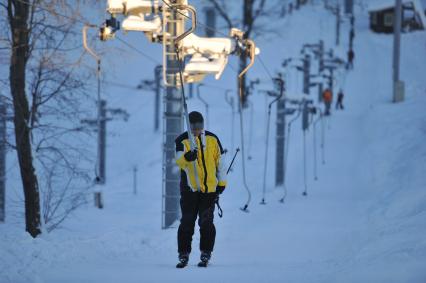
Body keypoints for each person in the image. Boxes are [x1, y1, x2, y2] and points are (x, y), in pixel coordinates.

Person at [174, 111, 227, 268]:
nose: (197, 130)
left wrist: (222, 183)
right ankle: (183, 254)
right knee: (187, 222)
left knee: (206, 222)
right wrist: (187, 158)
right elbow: (179, 160)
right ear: (189, 127)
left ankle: (206, 252)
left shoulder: (212, 139)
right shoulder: (182, 141)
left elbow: (221, 162)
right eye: (194, 127)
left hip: (209, 189)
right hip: (190, 189)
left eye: (200, 127)